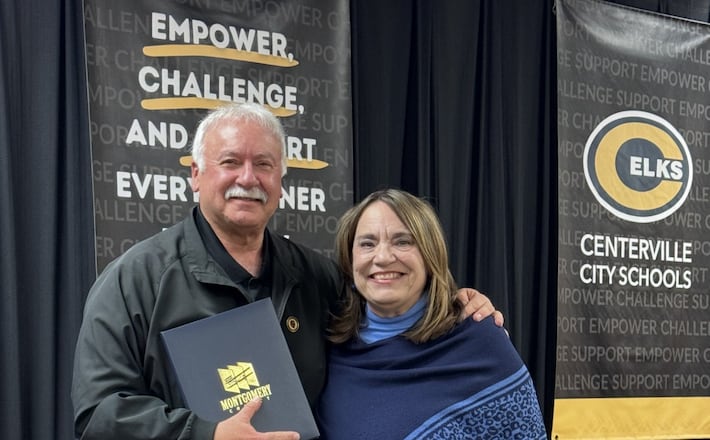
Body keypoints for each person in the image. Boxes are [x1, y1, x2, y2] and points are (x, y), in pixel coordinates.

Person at [71, 103, 502, 440]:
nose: (248, 177)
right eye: (230, 162)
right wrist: (206, 433)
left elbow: (389, 315)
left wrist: (454, 306)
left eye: (264, 164)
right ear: (196, 175)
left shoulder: (318, 278)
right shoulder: (133, 281)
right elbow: (99, 415)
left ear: (281, 180)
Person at [316, 189, 546, 439]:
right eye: (367, 244)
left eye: (402, 241)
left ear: (430, 255)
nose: (382, 257)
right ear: (350, 260)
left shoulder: (481, 343)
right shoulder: (329, 344)